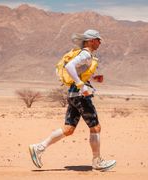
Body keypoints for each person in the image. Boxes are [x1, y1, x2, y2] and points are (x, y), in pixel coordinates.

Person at [29, 29, 116, 171]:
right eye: (98, 39)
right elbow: (70, 66)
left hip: (73, 95)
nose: (100, 42)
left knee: (68, 129)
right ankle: (97, 162)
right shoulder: (86, 54)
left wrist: (93, 78)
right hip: (81, 96)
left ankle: (39, 148)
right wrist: (81, 85)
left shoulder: (86, 54)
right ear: (91, 40)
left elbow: (78, 71)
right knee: (95, 128)